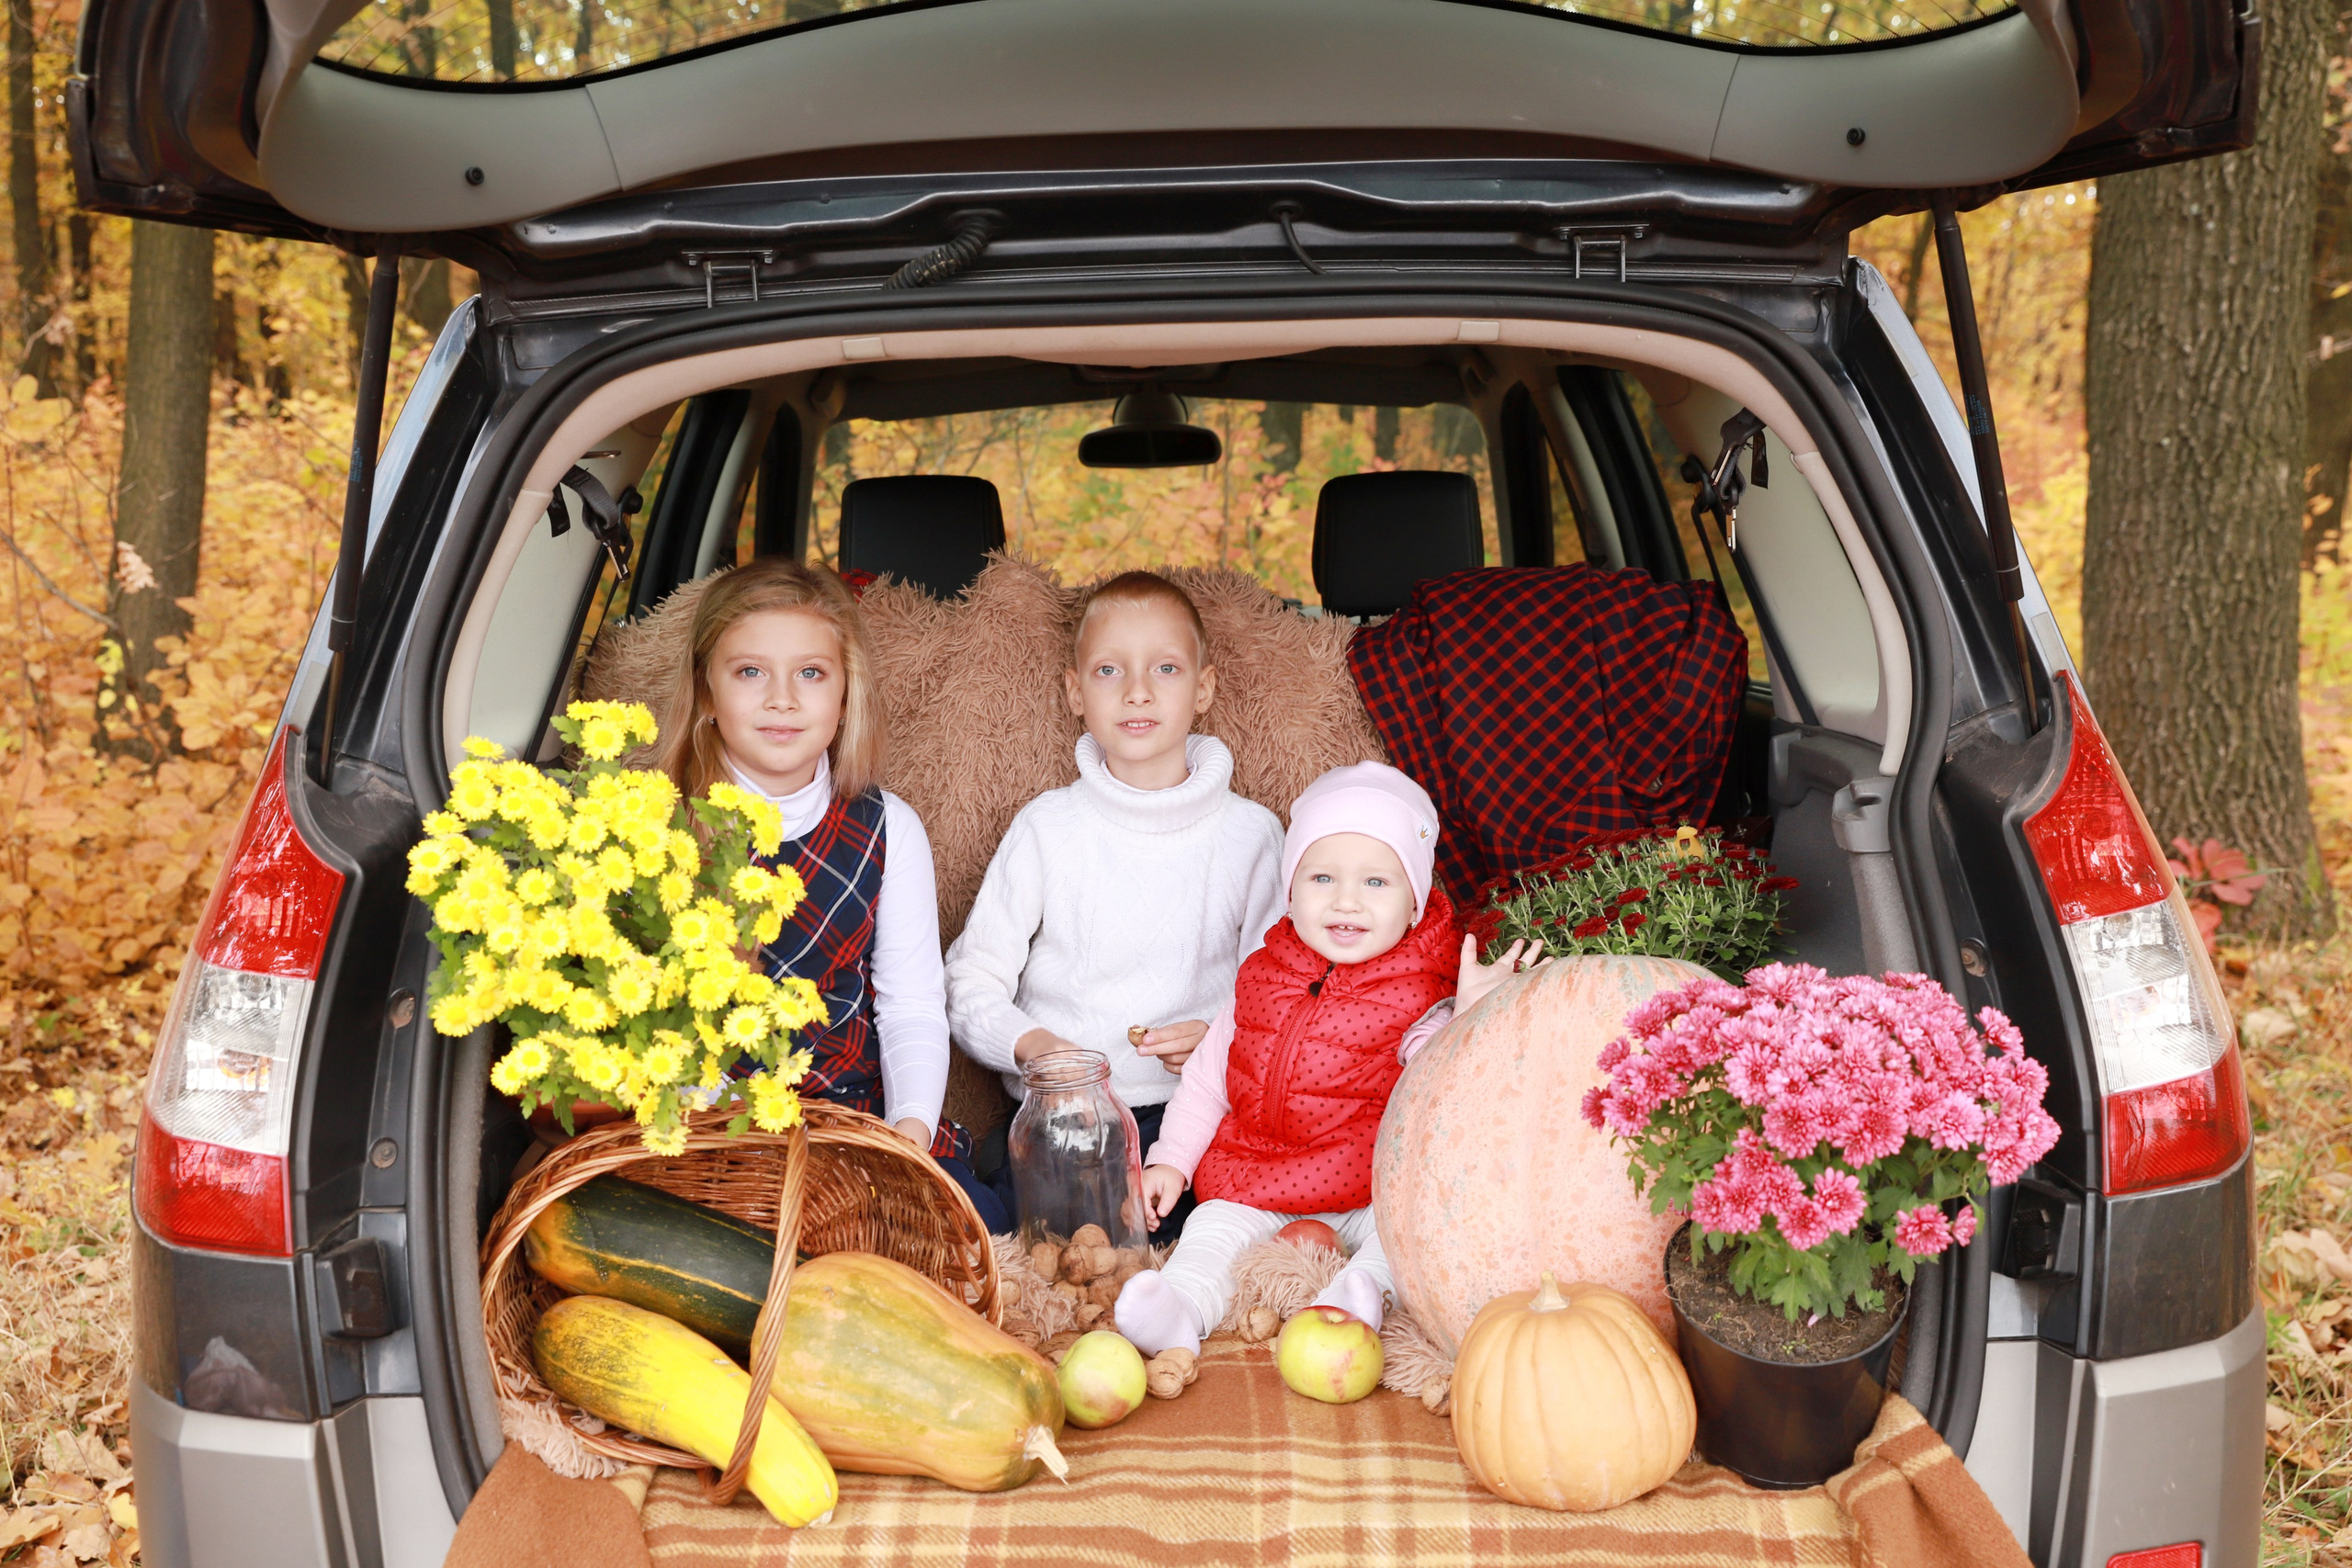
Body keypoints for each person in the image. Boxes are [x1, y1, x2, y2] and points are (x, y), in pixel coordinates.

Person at [1113, 762, 1543, 1357]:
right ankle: (1179, 1309)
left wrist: (1468, 1016)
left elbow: (1441, 1090)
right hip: (1258, 1177)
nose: (1346, 900)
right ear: (1291, 892)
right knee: (1209, 1231)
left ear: (1415, 905)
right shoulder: (1261, 977)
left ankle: (1353, 1300)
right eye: (1321, 877)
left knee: (1404, 1239)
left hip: (1370, 1192)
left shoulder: (1424, 994)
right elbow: (1208, 1082)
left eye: (1376, 882)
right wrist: (1171, 1161)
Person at [650, 557, 1007, 1231]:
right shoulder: (666, 829)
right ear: (706, 693)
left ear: (846, 697)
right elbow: (655, 1025)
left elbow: (910, 1004)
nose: (782, 698)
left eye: (810, 673)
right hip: (713, 1132)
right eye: (750, 672)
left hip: (854, 1120)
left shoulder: (886, 827)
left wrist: (908, 1132)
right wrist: (731, 1139)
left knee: (974, 1223)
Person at [945, 571, 1286, 1238]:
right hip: (1064, 1119)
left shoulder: (1252, 836)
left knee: (1210, 1217)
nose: (1137, 690)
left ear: (1204, 689)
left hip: (1196, 1117)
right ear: (1075, 692)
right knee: (1028, 1222)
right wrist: (1036, 1048)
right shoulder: (1047, 827)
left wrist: (1221, 1040)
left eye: (1166, 668)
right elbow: (968, 981)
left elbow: (1279, 999)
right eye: (1109, 670)